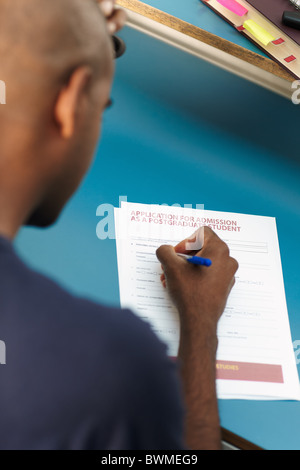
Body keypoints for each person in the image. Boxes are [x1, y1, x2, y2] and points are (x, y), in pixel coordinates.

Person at [0, 0, 238, 450]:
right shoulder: (105, 365)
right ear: (71, 101)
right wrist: (201, 325)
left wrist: (64, 25)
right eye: (101, 106)